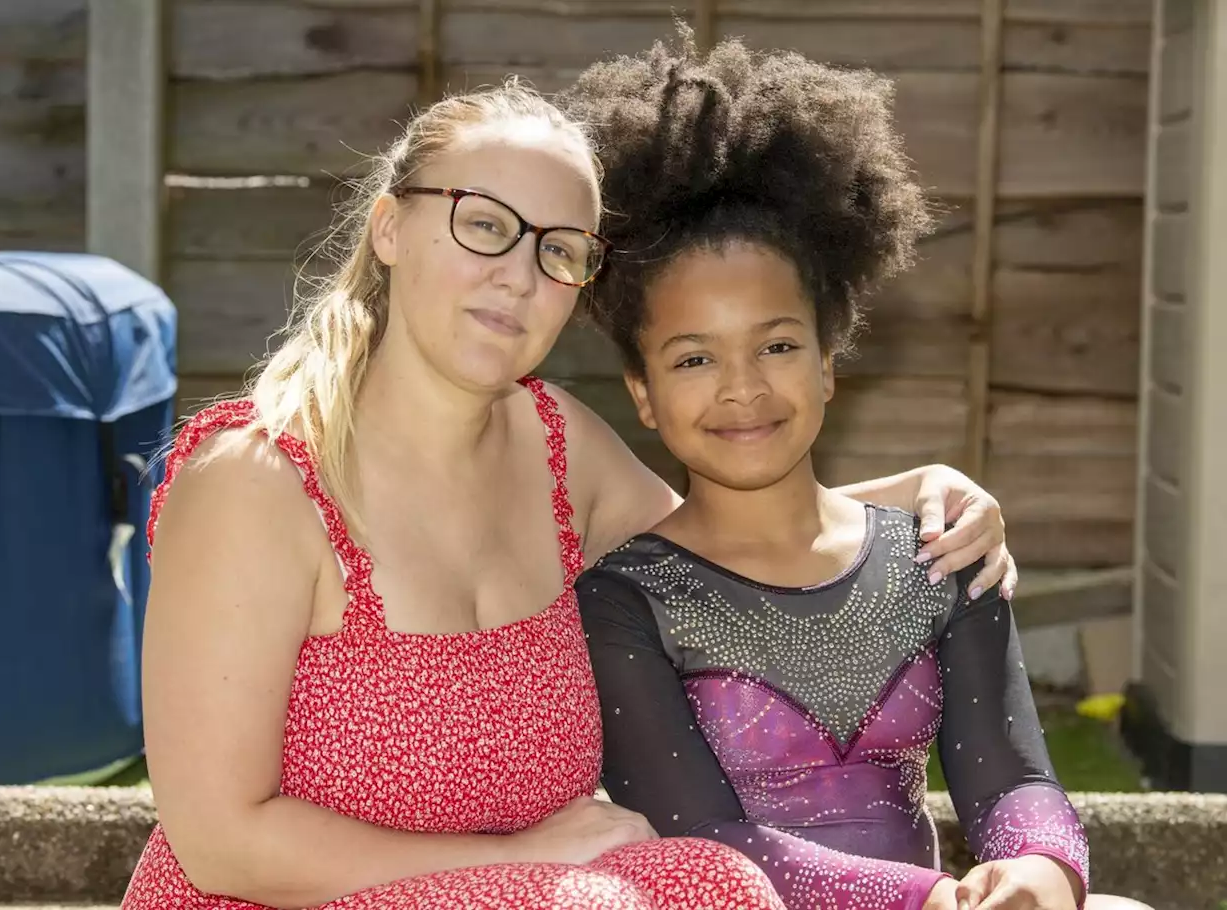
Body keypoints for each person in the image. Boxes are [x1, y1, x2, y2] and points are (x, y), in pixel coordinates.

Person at [120, 73, 1017, 909]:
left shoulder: (557, 446)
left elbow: (734, 549)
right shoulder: (255, 482)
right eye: (484, 225)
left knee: (717, 883)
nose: (518, 274)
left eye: (560, 251)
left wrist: (915, 494)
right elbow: (221, 842)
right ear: (390, 228)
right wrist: (522, 866)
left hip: (549, 895)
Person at [562, 30, 1154, 910]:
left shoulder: (936, 551)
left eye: (778, 345)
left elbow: (1013, 779)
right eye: (693, 360)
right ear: (642, 393)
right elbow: (704, 838)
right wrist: (928, 900)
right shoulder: (622, 599)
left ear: (830, 363)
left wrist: (1038, 873)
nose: (742, 389)